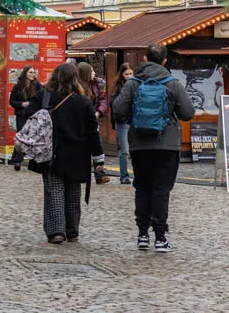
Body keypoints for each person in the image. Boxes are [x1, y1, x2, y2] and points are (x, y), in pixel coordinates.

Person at [110, 44, 196, 252]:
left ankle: (142, 234)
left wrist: (133, 117)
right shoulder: (173, 83)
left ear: (146, 58)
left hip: (139, 144)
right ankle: (160, 237)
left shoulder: (133, 83)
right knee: (161, 190)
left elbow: (118, 109)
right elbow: (188, 112)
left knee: (142, 187)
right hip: (166, 145)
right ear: (165, 61)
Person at [40, 61, 105, 245]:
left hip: (54, 152)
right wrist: (98, 157)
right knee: (73, 192)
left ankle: (56, 231)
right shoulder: (84, 101)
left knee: (55, 190)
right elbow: (93, 131)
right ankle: (72, 231)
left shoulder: (47, 98)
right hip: (79, 154)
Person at [9, 68, 44, 171]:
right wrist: (21, 104)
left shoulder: (37, 86)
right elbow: (12, 101)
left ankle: (35, 160)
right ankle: (17, 160)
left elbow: (41, 98)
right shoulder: (18, 86)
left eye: (34, 72)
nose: (32, 74)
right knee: (21, 136)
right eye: (30, 72)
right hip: (22, 114)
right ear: (25, 73)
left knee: (34, 137)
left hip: (34, 114)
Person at [112, 63, 135, 184]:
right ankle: (124, 175)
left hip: (133, 120)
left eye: (131, 73)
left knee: (134, 149)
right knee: (124, 149)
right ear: (122, 75)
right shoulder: (118, 87)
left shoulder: (136, 85)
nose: (129, 76)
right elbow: (114, 104)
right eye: (127, 74)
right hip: (122, 121)